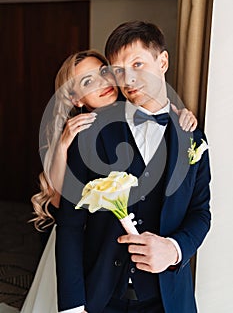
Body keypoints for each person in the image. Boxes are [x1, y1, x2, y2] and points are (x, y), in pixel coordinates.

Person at [22, 48, 196, 313]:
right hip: (93, 264)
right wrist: (62, 147)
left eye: (104, 73)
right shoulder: (79, 136)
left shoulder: (144, 112)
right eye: (88, 81)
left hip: (158, 286)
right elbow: (63, 210)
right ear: (75, 98)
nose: (103, 83)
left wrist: (183, 114)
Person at [55, 21, 211, 313]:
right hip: (100, 298)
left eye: (138, 64)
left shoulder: (193, 137)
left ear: (162, 61)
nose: (129, 79)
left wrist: (174, 250)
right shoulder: (90, 133)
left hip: (169, 300)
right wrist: (73, 306)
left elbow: (201, 212)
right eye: (119, 71)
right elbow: (70, 225)